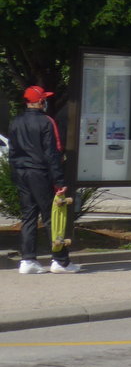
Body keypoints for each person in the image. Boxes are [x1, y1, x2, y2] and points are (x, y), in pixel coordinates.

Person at [8, 86, 81, 274]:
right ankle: (60, 260)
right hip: (40, 173)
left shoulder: (15, 121)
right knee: (52, 216)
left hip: (21, 172)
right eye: (44, 99)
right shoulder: (47, 122)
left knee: (29, 216)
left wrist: (15, 172)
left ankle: (28, 260)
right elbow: (53, 153)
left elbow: (13, 151)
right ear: (41, 102)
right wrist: (59, 181)